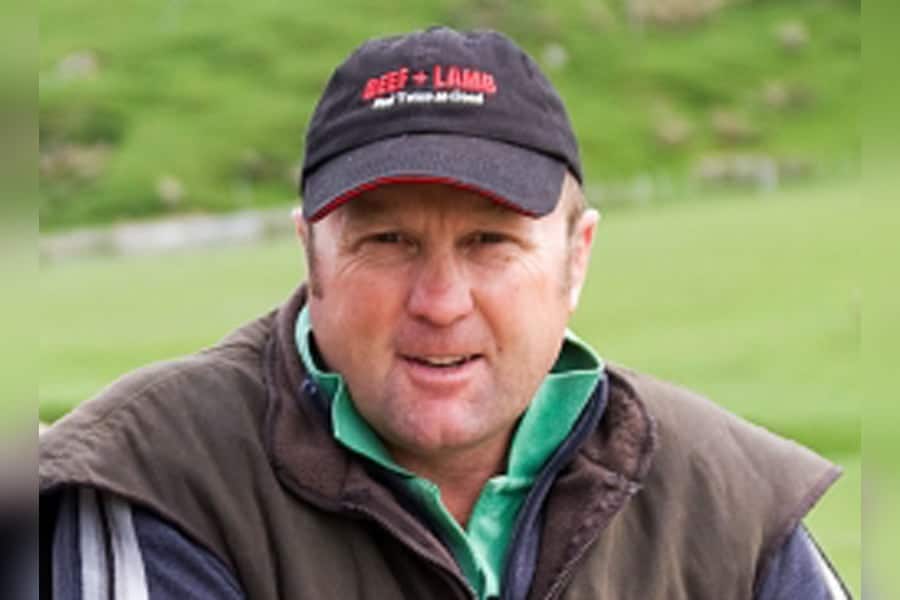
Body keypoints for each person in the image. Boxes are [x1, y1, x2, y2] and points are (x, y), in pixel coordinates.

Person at [39, 27, 850, 599]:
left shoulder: (732, 504)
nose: (439, 303)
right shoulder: (157, 482)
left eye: (490, 242)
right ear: (311, 256)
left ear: (576, 259)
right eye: (388, 241)